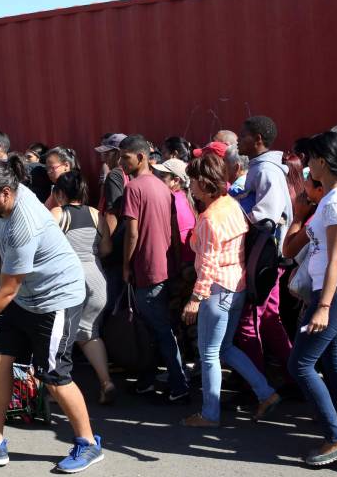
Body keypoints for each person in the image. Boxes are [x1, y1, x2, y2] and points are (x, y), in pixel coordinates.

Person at [0, 156, 103, 474]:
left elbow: (6, 291)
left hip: (58, 299)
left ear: (5, 192)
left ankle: (88, 444)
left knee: (54, 378)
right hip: (28, 296)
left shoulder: (22, 224)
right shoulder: (8, 198)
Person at [180, 154, 280, 427]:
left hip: (216, 290)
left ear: (203, 182)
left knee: (209, 353)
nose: (190, 186)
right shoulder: (232, 206)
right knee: (224, 348)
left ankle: (209, 414)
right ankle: (266, 393)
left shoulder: (210, 218)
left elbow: (208, 262)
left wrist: (195, 298)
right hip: (237, 286)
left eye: (192, 181)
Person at [289, 131, 337, 466]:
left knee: (300, 364)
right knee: (336, 365)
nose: (307, 166)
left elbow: (336, 257)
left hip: (336, 296)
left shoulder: (336, 201)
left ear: (322, 161)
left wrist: (322, 306)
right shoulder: (336, 197)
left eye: (310, 160)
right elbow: (305, 248)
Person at [120, 135, 189, 402]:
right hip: (164, 265)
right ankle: (148, 381)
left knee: (159, 330)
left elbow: (133, 233)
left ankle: (179, 385)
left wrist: (126, 265)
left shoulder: (134, 188)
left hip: (147, 268)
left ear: (141, 157)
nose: (121, 162)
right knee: (154, 328)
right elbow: (172, 229)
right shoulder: (163, 187)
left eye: (125, 157)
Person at [235, 115, 294, 389]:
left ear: (258, 139)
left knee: (252, 321)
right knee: (269, 319)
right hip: (267, 256)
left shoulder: (267, 171)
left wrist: (234, 214)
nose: (239, 140)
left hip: (264, 258)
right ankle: (294, 376)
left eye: (243, 135)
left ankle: (256, 385)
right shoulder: (263, 168)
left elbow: (266, 217)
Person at [50, 171, 115, 404]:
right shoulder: (98, 215)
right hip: (97, 281)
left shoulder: (57, 213)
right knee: (89, 334)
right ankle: (106, 382)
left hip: (69, 280)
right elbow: (106, 249)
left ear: (59, 193)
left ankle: (57, 388)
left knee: (59, 335)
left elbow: (45, 248)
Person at [94, 133, 129, 312]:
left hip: (115, 248)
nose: (103, 157)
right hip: (127, 244)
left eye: (107, 153)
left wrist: (105, 248)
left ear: (117, 153)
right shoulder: (129, 174)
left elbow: (112, 214)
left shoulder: (115, 175)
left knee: (111, 302)